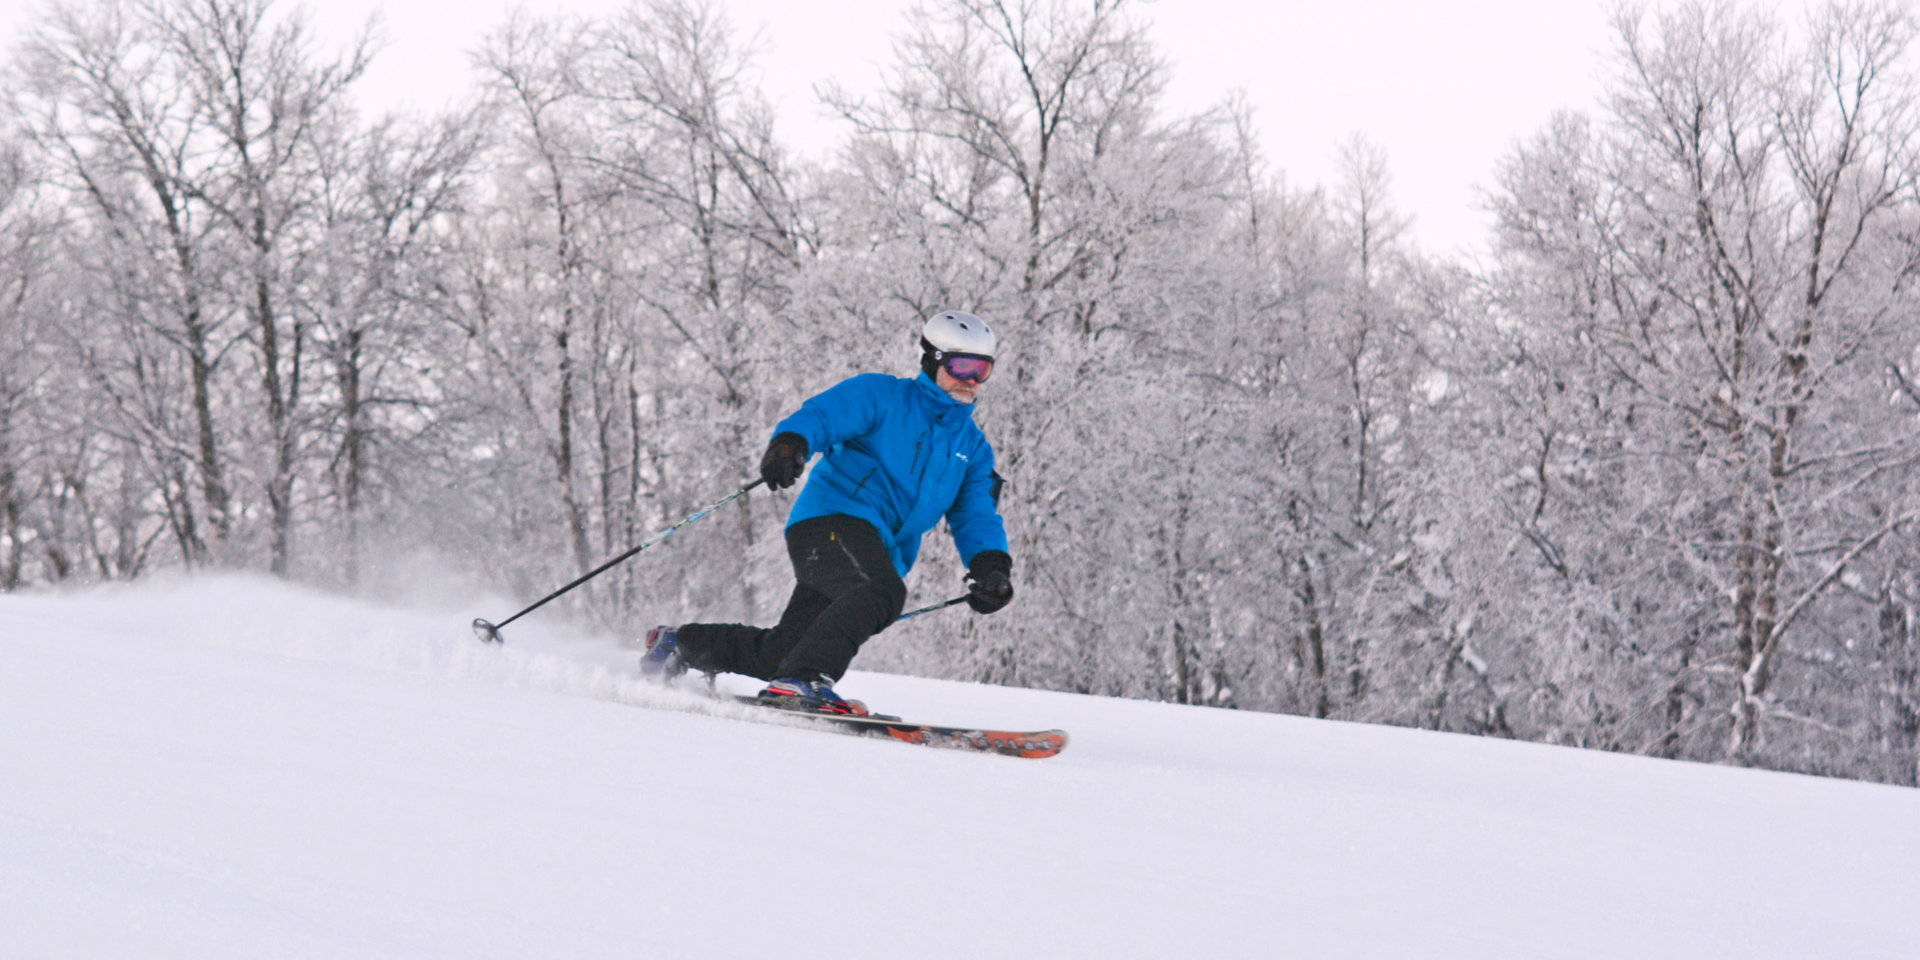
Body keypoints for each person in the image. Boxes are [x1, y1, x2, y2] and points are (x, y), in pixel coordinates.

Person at [639, 310, 1015, 715]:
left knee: (784, 651)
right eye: (962, 365)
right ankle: (803, 681)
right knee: (881, 592)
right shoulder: (882, 396)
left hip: (875, 550)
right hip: (829, 524)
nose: (971, 380)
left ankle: (682, 644)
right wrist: (790, 445)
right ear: (933, 360)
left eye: (983, 370)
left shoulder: (972, 449)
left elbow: (976, 513)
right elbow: (822, 417)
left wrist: (990, 565)